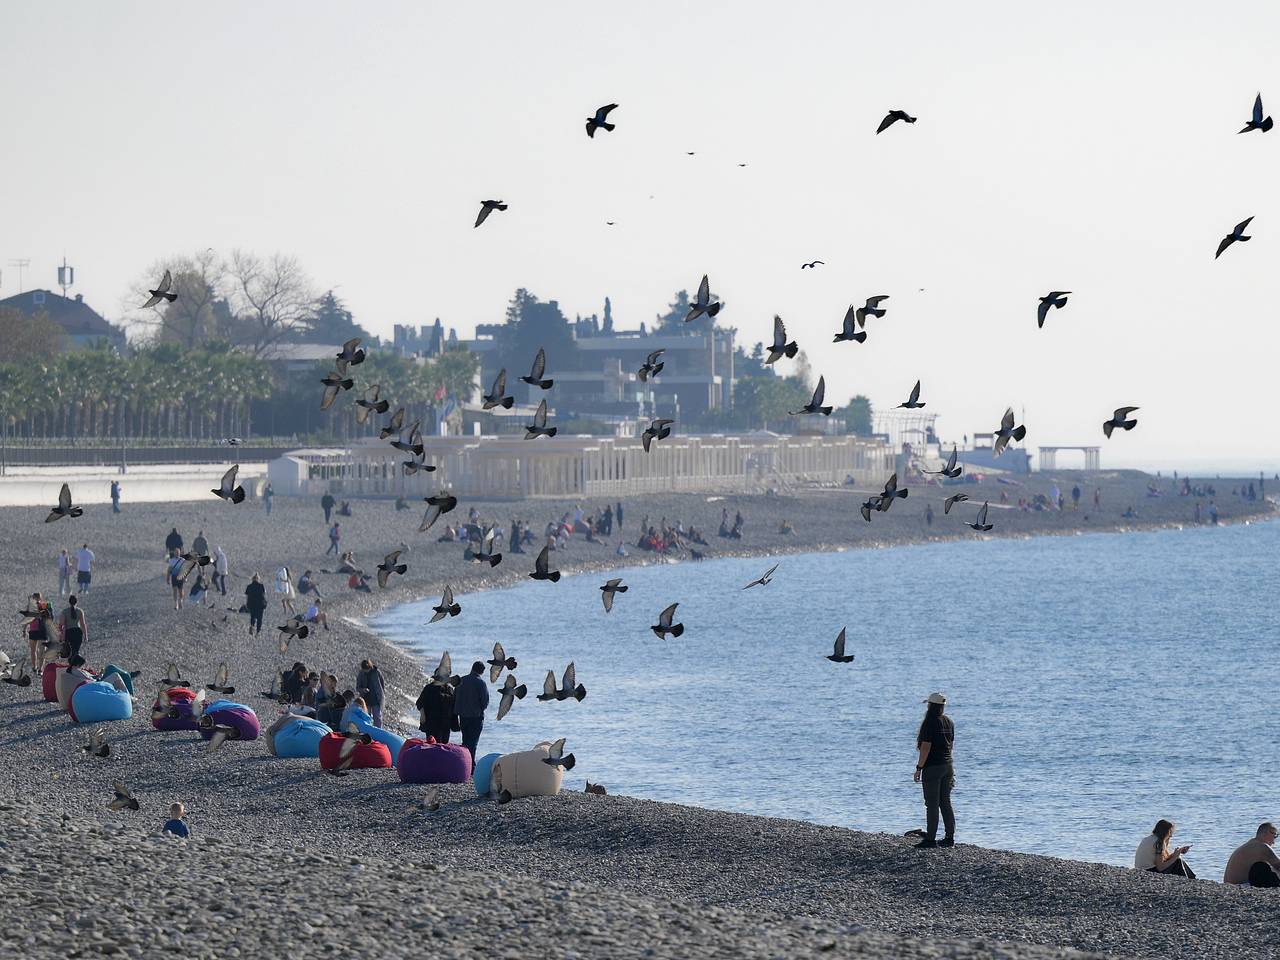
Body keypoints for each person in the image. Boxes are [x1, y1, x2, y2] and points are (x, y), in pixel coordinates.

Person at [913, 692, 955, 848]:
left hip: (933, 767)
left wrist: (919, 768)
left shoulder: (930, 722)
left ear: (930, 705)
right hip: (948, 766)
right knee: (945, 802)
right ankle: (949, 838)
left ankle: (930, 839)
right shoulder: (949, 722)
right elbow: (951, 746)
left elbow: (925, 747)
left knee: (932, 804)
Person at [455, 661, 489, 761]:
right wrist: (480, 709)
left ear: (472, 668)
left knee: (465, 741)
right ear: (482, 672)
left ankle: (464, 762)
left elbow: (455, 697)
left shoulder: (461, 680)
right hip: (475, 716)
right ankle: (471, 765)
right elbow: (485, 701)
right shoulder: (481, 683)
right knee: (473, 742)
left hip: (463, 716)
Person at [416, 678, 458, 743]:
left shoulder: (450, 689)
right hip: (432, 722)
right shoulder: (429, 688)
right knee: (432, 745)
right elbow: (419, 702)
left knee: (444, 745)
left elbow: (454, 706)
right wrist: (422, 714)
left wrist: (454, 722)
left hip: (446, 724)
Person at [26, 592, 52, 669]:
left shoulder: (31, 606)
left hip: (33, 630)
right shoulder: (45, 605)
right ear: (41, 598)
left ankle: (35, 667)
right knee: (42, 651)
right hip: (43, 630)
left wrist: (24, 630)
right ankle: (40, 669)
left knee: (33, 651)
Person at [356, 659, 385, 727]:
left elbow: (382, 684)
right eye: (364, 670)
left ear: (370, 667)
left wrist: (382, 695)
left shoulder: (376, 672)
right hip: (365, 699)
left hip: (376, 698)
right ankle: (368, 731)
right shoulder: (361, 673)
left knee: (377, 717)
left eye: (366, 670)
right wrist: (363, 690)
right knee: (366, 717)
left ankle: (378, 731)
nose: (365, 671)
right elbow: (357, 687)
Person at [59, 595, 87, 661]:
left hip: (69, 633)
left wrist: (61, 634)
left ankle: (71, 665)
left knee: (69, 651)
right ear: (76, 602)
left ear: (69, 602)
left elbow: (61, 624)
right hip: (78, 632)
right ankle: (75, 665)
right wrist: (86, 635)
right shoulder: (80, 611)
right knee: (76, 650)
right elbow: (83, 624)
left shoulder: (64, 611)